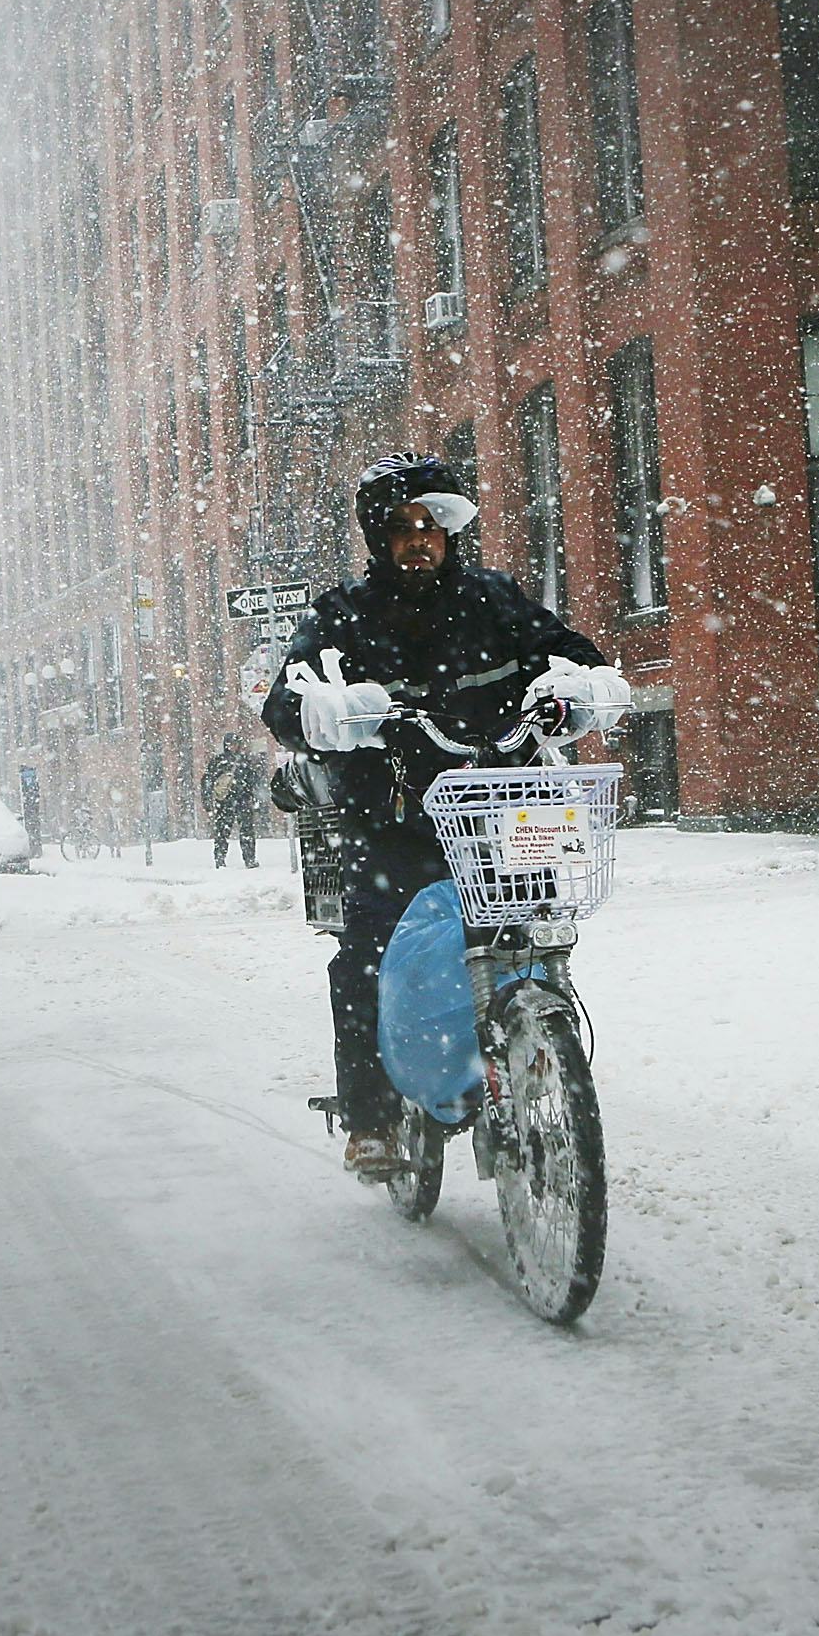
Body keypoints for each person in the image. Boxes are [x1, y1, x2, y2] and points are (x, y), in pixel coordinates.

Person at [262, 454, 630, 1178]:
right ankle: (370, 1116)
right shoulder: (343, 616)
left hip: (503, 808)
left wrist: (570, 688)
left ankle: (529, 1050)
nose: (419, 539)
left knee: (530, 937)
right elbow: (288, 701)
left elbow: (573, 657)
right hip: (393, 819)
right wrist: (326, 711)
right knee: (365, 954)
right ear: (378, 537)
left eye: (432, 525)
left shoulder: (495, 600)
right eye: (401, 528)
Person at [202, 732, 267, 869]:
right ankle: (221, 859)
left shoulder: (240, 761)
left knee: (243, 831)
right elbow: (207, 780)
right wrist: (207, 799)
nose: (234, 746)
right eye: (232, 743)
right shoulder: (221, 761)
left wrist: (256, 796)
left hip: (239, 800)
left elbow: (253, 781)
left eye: (236, 743)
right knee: (225, 831)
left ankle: (248, 859)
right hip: (227, 801)